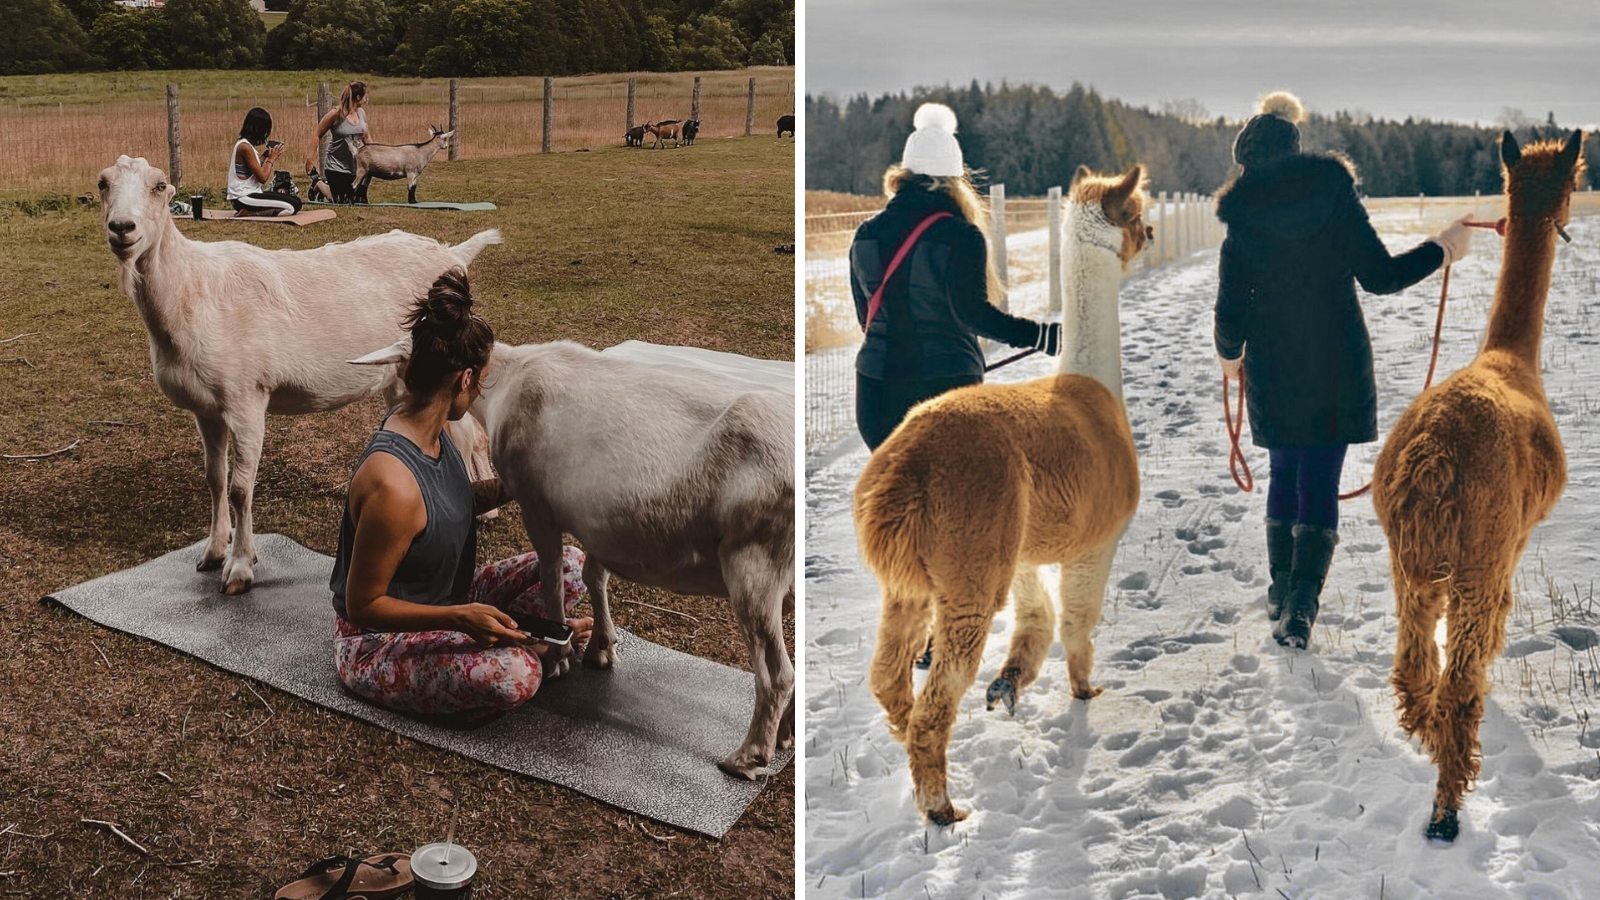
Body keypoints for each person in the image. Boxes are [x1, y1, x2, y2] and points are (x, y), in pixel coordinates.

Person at [1212, 91, 1474, 649]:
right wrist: (1443, 250)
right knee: (1321, 482)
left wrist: (1229, 356)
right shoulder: (1335, 195)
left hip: (1274, 368)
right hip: (1336, 362)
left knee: (1285, 475)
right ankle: (1302, 606)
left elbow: (1230, 312)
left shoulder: (1242, 222)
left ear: (1247, 161)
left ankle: (1282, 595)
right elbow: (1379, 275)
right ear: (1298, 147)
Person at [329, 269, 593, 721]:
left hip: (447, 595)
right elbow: (364, 604)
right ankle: (522, 646)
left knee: (570, 566)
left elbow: (451, 503)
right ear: (465, 378)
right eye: (483, 381)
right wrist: (459, 618)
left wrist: (523, 483)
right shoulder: (391, 484)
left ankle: (518, 637)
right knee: (516, 673)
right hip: (375, 642)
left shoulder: (434, 430)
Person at [850, 102, 1064, 451]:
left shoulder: (866, 234)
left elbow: (866, 318)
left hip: (876, 395)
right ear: (953, 179)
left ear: (904, 175)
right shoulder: (960, 235)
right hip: (945, 388)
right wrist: (1040, 336)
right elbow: (973, 313)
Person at [227, 107, 301, 217]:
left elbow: (252, 171)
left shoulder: (246, 145)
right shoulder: (245, 147)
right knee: (291, 207)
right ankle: (251, 212)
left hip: (250, 195)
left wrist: (265, 156)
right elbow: (262, 178)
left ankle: (252, 211)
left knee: (296, 201)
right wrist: (271, 159)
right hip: (243, 197)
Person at [306, 81, 371, 204]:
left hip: (356, 167)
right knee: (339, 201)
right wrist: (310, 160)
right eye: (365, 95)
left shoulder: (361, 114)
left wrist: (375, 158)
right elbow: (316, 134)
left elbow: (367, 137)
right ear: (358, 97)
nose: (366, 98)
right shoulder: (336, 114)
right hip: (336, 166)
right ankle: (318, 184)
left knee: (356, 201)